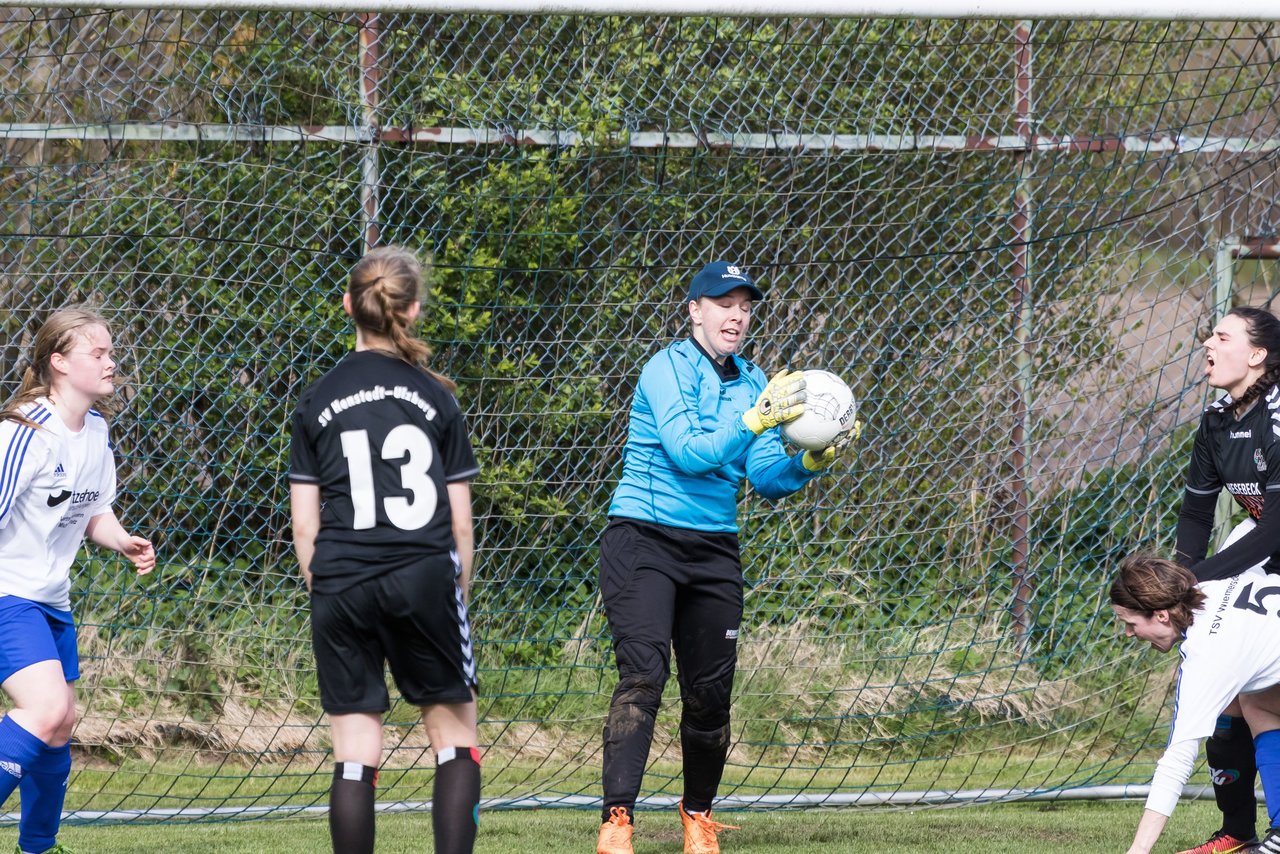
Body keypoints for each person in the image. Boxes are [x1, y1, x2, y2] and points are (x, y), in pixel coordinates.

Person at [595, 260, 856, 854]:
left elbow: (763, 475)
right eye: (723, 302)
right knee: (643, 677)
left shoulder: (755, 379)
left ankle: (698, 818)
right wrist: (755, 417)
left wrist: (808, 462)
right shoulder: (666, 368)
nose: (736, 314)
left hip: (713, 549)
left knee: (710, 696)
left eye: (744, 305)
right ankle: (617, 822)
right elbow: (688, 453)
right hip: (643, 537)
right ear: (695, 311)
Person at [288, 246, 482, 854]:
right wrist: (456, 594)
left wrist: (327, 587)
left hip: (340, 580)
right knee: (456, 743)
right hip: (421, 575)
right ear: (414, 310)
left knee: (354, 755)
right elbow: (460, 524)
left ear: (349, 305)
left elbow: (304, 526)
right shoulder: (435, 397)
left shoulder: (316, 399)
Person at [0, 307, 156, 854]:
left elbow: (94, 513)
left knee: (61, 726)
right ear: (59, 362)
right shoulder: (23, 432)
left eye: (111, 352)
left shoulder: (95, 430)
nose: (113, 363)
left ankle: (37, 847)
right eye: (100, 354)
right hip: (7, 595)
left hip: (50, 600)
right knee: (45, 710)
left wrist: (123, 540)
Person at [1173, 305, 1280, 854]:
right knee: (1232, 699)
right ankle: (1237, 833)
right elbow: (1196, 516)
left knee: (1263, 697)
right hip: (1266, 553)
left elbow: (1276, 527)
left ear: (1257, 354)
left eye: (1222, 336)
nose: (1207, 344)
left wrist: (1197, 583)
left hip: (1271, 547)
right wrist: (1179, 576)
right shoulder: (1216, 419)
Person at [1112, 525, 1280, 854]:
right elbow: (1251, 525)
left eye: (1131, 623)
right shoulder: (1218, 574)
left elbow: (1177, 761)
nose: (1129, 633)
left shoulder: (1207, 657)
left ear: (1160, 615)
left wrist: (1138, 850)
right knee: (1257, 704)